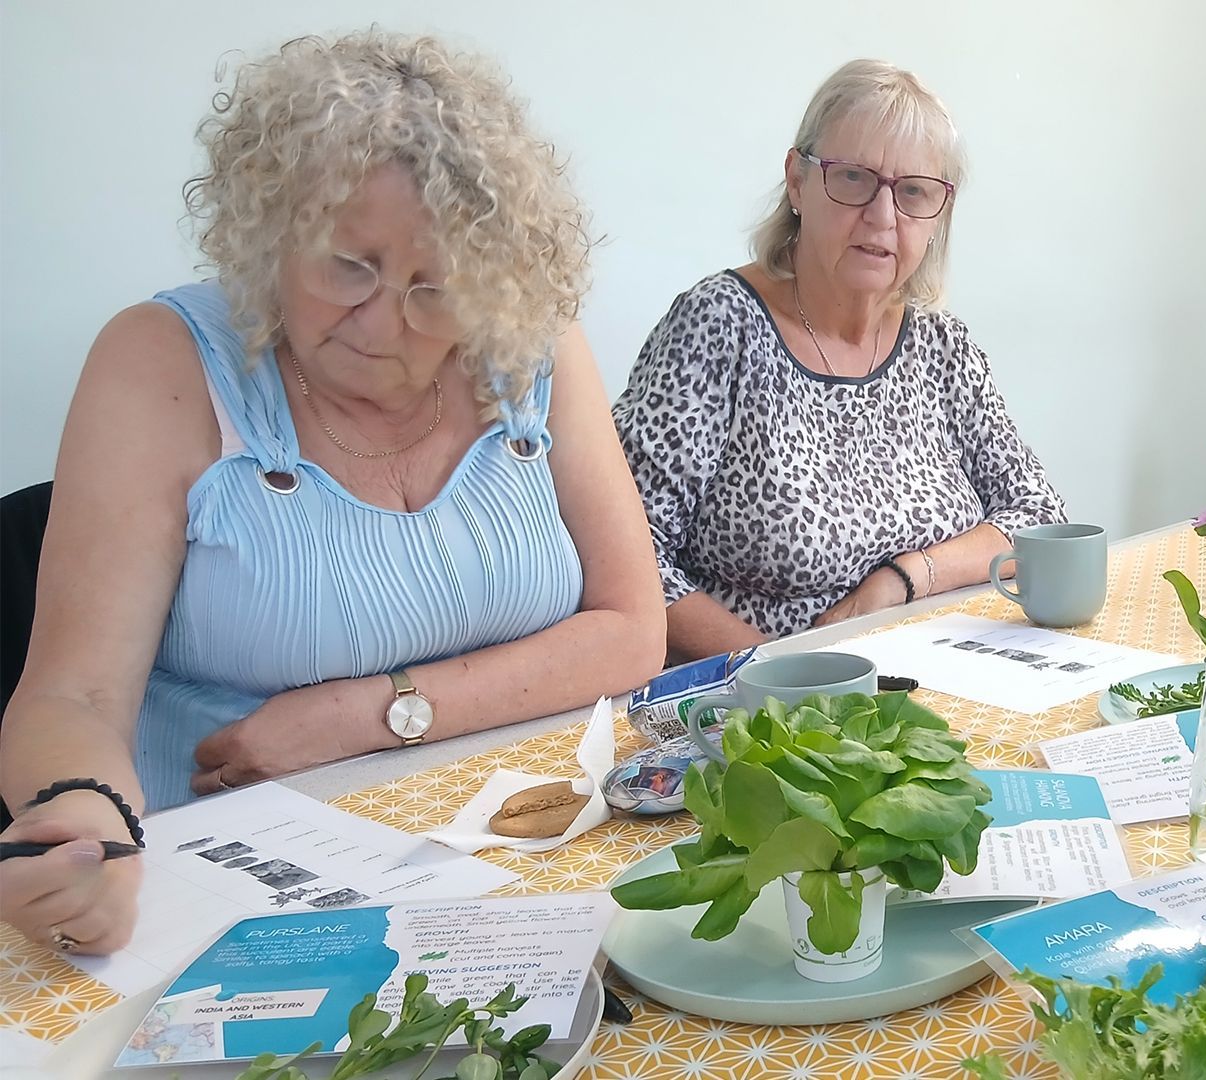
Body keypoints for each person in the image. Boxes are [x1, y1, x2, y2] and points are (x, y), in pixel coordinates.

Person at [0, 32, 667, 955]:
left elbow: (632, 630)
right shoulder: (161, 362)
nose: (383, 323)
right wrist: (83, 814)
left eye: (435, 289)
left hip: (525, 850)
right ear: (275, 229)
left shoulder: (527, 344)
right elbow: (71, 695)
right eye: (349, 266)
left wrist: (365, 716)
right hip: (237, 890)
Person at [614, 59, 1066, 659]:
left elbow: (1038, 518)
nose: (883, 217)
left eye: (913, 192)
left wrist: (906, 576)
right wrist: (786, 674)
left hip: (939, 675)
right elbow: (626, 557)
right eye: (854, 179)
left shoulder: (942, 346)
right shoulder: (719, 325)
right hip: (772, 696)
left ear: (939, 214)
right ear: (797, 182)